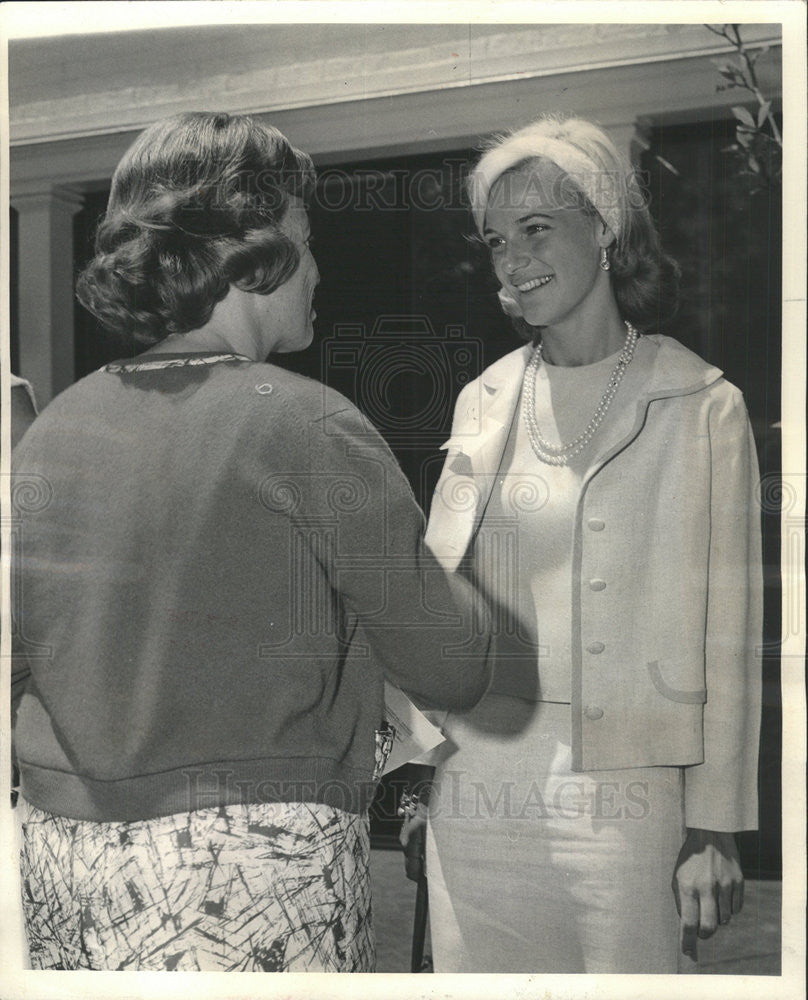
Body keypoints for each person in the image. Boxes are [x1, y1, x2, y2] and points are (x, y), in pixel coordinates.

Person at [10, 111, 491, 973]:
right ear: (251, 252)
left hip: (62, 856)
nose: (318, 269)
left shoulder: (51, 428)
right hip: (254, 868)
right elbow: (450, 666)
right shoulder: (308, 423)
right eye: (305, 241)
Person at [421, 115, 762, 973]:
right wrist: (417, 759)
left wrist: (713, 824)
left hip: (627, 796)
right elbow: (431, 596)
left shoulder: (700, 402)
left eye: (537, 229)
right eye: (497, 240)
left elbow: (729, 635)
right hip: (476, 786)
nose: (513, 259)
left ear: (604, 229)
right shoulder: (484, 400)